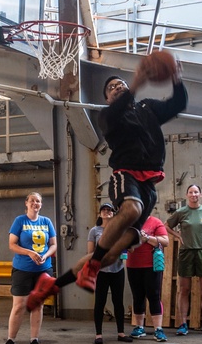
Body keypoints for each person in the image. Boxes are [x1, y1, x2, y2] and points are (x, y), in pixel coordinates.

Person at [27, 61, 187, 310]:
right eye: (112, 87)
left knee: (113, 254)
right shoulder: (108, 115)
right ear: (107, 98)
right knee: (131, 210)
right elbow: (118, 109)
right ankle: (91, 267)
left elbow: (177, 105)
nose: (117, 87)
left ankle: (53, 284)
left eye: (120, 84)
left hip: (149, 184)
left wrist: (176, 79)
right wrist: (134, 83)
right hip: (126, 174)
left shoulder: (147, 108)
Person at [2, 191, 57, 344]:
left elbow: (53, 244)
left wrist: (45, 255)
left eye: (38, 201)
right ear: (26, 203)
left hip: (43, 269)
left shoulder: (46, 222)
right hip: (22, 269)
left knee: (38, 305)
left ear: (41, 204)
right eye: (32, 201)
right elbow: (12, 244)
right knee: (19, 306)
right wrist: (30, 253)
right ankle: (11, 340)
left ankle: (34, 340)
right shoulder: (20, 221)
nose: (35, 204)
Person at [166, 184, 202, 336]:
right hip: (186, 253)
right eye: (191, 192)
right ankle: (183, 324)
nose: (194, 195)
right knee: (184, 289)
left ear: (200, 194)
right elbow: (166, 226)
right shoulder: (181, 212)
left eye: (196, 192)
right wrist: (178, 236)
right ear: (187, 195)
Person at [90, 203, 132, 344]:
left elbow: (129, 247)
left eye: (109, 210)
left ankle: (121, 332)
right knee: (100, 301)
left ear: (113, 213)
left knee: (118, 301)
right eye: (104, 210)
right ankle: (98, 334)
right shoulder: (94, 231)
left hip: (118, 269)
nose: (107, 212)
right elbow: (90, 253)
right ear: (100, 213)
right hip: (101, 271)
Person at [126, 214, 171, 342]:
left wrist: (147, 238)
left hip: (152, 265)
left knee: (154, 295)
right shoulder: (129, 223)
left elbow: (165, 241)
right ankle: (139, 327)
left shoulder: (155, 222)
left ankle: (158, 329)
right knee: (137, 295)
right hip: (133, 265)